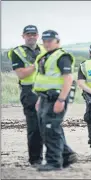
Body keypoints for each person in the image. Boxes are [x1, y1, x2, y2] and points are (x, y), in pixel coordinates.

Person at [33, 30, 78, 171]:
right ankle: (66, 155)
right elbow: (44, 79)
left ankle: (54, 162)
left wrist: (61, 100)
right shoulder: (45, 56)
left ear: (57, 41)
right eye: (44, 41)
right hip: (45, 98)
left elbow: (68, 79)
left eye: (50, 41)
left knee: (51, 130)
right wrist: (40, 99)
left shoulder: (62, 56)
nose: (46, 44)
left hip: (56, 98)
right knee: (47, 130)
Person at [7, 25, 45, 167]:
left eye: (34, 34)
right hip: (29, 92)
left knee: (50, 125)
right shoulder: (17, 52)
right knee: (34, 127)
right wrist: (36, 64)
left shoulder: (44, 49)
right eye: (28, 34)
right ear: (23, 36)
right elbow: (21, 73)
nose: (31, 36)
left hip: (47, 91)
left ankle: (57, 155)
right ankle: (35, 159)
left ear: (38, 35)